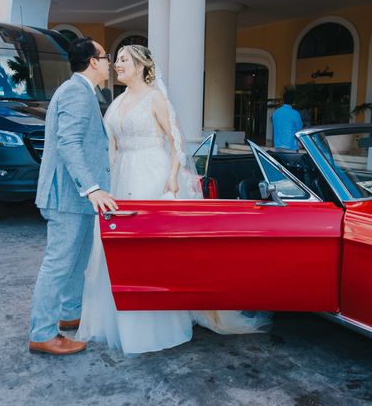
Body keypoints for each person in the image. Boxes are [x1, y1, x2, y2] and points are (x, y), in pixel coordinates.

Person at [76, 44, 271, 354]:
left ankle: (156, 325)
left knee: (149, 251)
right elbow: (110, 145)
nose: (117, 66)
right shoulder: (116, 102)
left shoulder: (156, 98)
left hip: (151, 176)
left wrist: (172, 176)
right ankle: (116, 321)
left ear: (141, 65)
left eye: (124, 60)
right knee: (117, 247)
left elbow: (176, 142)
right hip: (122, 176)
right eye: (116, 61)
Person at [29, 38, 118, 355]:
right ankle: (42, 333)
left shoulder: (84, 92)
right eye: (106, 57)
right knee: (58, 265)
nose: (109, 63)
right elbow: (68, 144)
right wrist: (92, 188)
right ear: (93, 62)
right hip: (68, 197)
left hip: (75, 198)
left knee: (74, 262)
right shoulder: (75, 92)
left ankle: (68, 316)